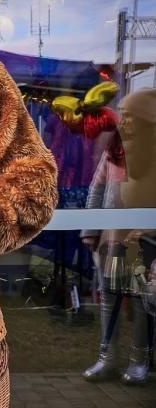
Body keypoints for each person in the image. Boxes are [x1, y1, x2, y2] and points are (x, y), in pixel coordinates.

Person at [81, 88, 156, 384]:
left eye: (129, 116)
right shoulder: (114, 150)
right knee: (109, 298)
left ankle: (139, 361)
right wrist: (90, 230)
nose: (122, 121)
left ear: (146, 119)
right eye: (122, 115)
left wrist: (149, 231)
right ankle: (107, 358)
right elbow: (96, 189)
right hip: (112, 240)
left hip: (143, 243)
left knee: (140, 300)